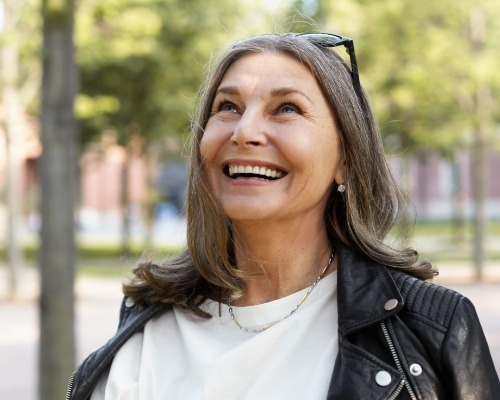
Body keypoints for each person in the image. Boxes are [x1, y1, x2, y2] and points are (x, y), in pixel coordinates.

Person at [67, 32, 500, 400]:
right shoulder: (146, 322)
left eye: (286, 108)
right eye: (228, 107)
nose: (244, 132)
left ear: (345, 160)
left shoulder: (432, 329)